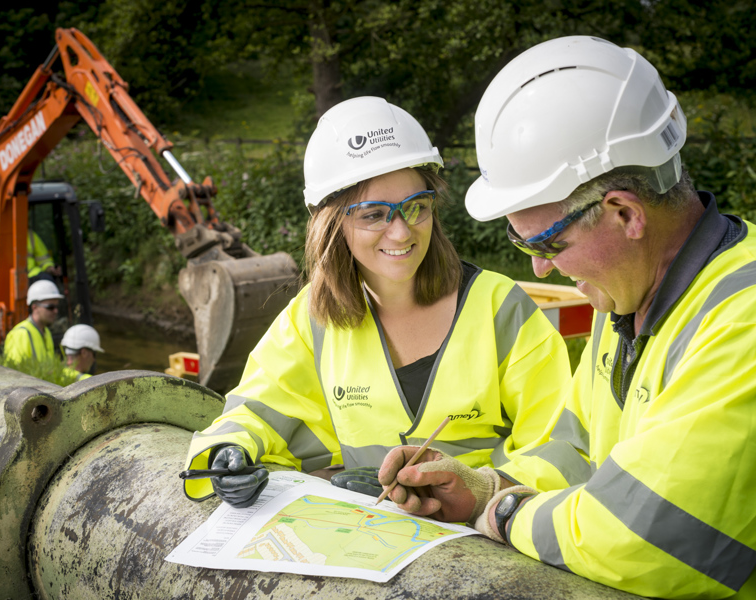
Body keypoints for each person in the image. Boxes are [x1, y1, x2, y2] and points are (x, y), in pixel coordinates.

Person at [378, 36, 756, 599]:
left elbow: (647, 537)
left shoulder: (741, 320)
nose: (539, 267)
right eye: (521, 241)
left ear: (624, 212)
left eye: (549, 243)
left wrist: (504, 515)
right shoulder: (626, 295)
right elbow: (577, 449)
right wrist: (480, 486)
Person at [182, 96, 571, 510]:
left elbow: (562, 449)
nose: (401, 232)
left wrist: (483, 492)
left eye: (415, 207)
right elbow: (256, 409)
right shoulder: (312, 317)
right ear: (332, 224)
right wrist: (230, 452)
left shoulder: (500, 309)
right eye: (373, 214)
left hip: (481, 544)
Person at [4, 279, 63, 364]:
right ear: (34, 307)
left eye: (57, 307)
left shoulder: (46, 332)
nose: (55, 311)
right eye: (50, 307)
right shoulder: (21, 333)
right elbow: (15, 373)